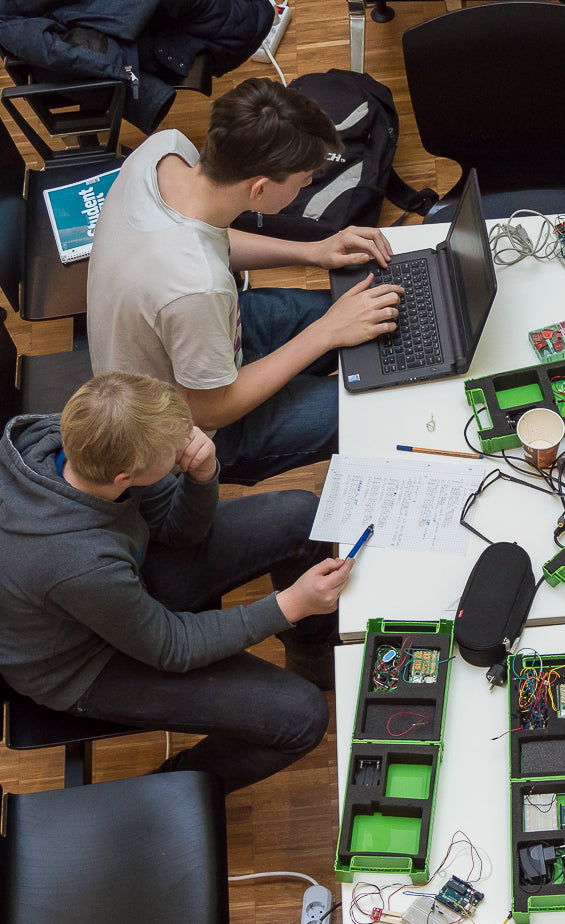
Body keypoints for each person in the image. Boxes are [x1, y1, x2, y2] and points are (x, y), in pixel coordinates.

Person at [0, 372, 353, 792]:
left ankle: (314, 658)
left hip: (120, 582)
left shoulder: (81, 437)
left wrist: (202, 476)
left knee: (301, 517)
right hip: (83, 662)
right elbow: (172, 646)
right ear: (123, 478)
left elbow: (179, 531)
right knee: (301, 717)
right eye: (173, 453)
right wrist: (289, 605)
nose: (186, 446)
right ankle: (170, 794)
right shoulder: (77, 561)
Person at [87, 77, 404, 485]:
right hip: (189, 425)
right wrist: (326, 332)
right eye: (303, 179)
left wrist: (313, 250)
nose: (308, 184)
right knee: (369, 404)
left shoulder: (165, 151)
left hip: (199, 335)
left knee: (368, 312)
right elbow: (209, 411)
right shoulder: (196, 288)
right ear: (259, 189)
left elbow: (206, 237)